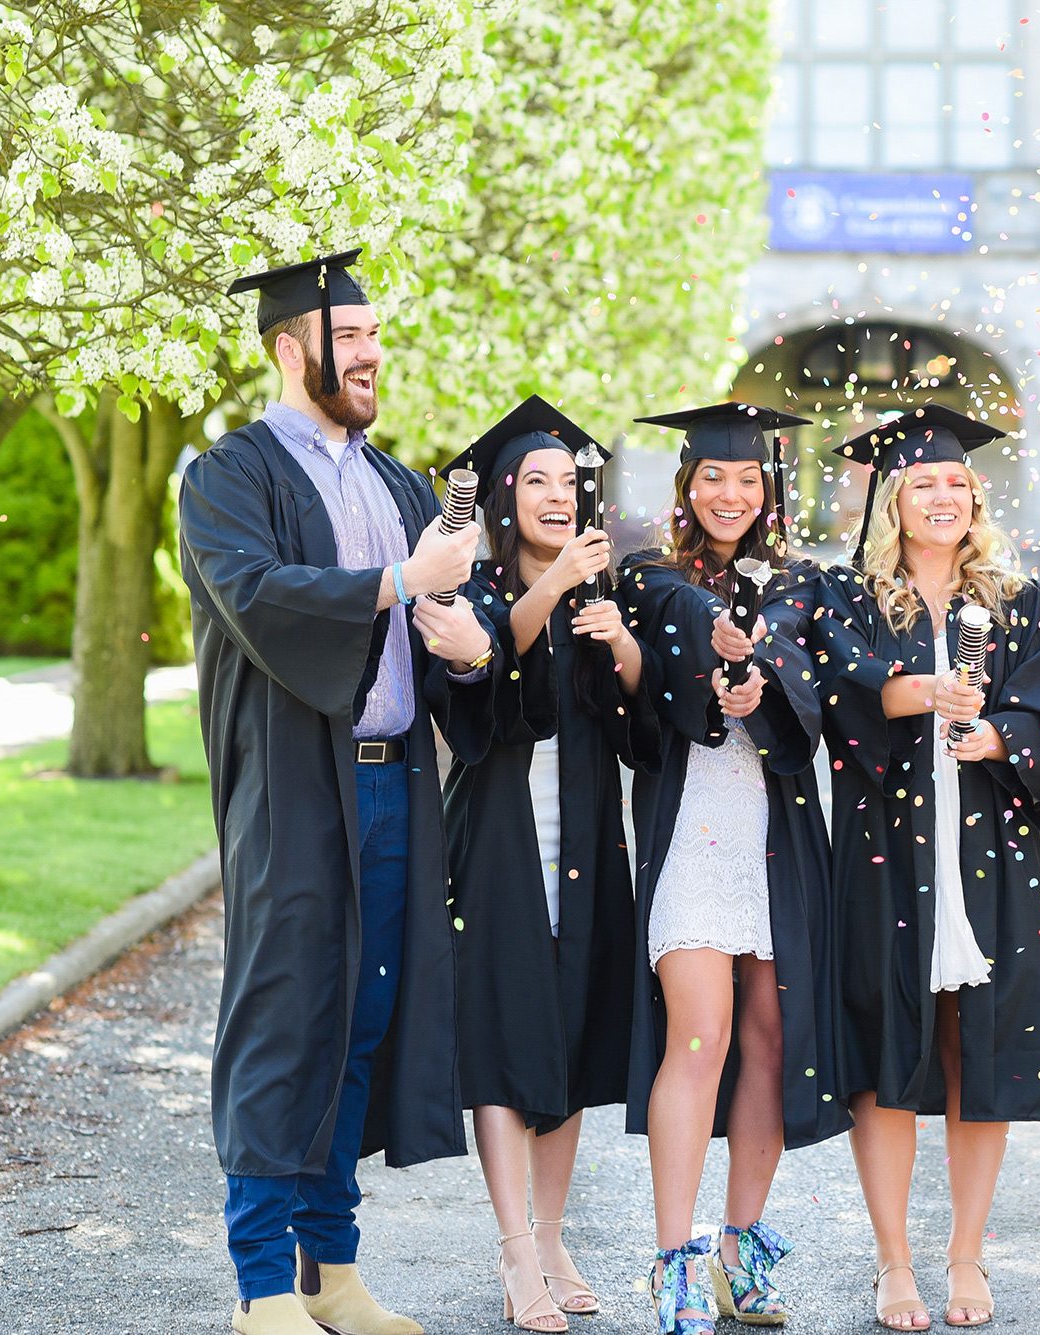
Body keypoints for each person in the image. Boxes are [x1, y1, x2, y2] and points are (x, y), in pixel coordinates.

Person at [180, 249, 496, 1335]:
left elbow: (447, 634)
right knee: (285, 1021)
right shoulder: (231, 475)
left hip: (396, 790)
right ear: (288, 346)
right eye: (348, 338)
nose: (369, 356)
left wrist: (466, 646)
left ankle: (332, 1274)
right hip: (294, 793)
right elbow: (259, 597)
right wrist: (404, 582)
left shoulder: (401, 483)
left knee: (363, 1022)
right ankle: (261, 1284)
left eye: (372, 337)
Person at [811, 404, 1040, 1331]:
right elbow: (838, 695)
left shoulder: (1020, 600)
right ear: (891, 497)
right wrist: (916, 693)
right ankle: (895, 1263)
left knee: (979, 1047)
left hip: (991, 854)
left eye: (957, 481)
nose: (943, 494)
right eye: (923, 481)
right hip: (887, 856)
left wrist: (996, 732)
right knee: (889, 1053)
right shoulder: (846, 598)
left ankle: (966, 1255)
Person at [615, 401, 847, 1335]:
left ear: (771, 487)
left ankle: (738, 1257)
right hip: (694, 835)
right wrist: (713, 647)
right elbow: (653, 669)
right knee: (700, 1036)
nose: (730, 493)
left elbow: (812, 701)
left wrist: (763, 685)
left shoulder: (802, 585)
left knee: (771, 1039)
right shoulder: (650, 578)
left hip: (776, 834)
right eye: (713, 476)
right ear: (686, 483)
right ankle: (674, 1263)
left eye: (748, 478)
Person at [436, 396, 656, 1330]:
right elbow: (479, 689)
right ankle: (516, 1247)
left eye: (569, 481)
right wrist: (554, 581)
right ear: (504, 497)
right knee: (500, 1030)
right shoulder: (475, 589)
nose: (557, 495)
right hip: (499, 835)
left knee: (566, 1026)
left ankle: (556, 1231)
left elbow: (644, 726)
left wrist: (627, 646)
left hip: (588, 833)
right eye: (537, 481)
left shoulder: (604, 597)